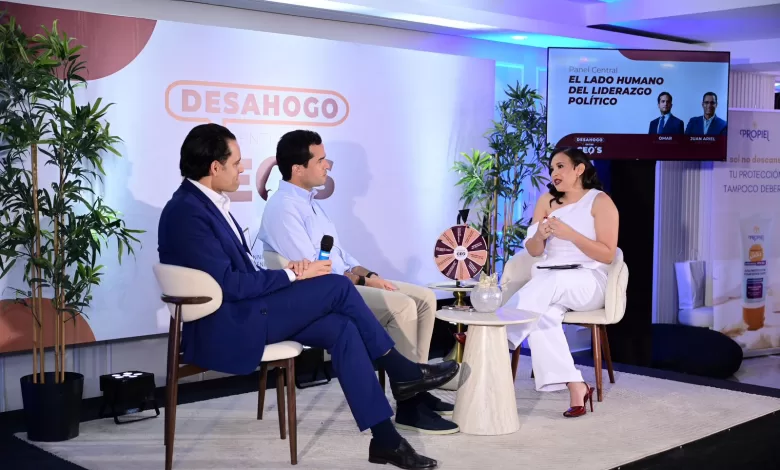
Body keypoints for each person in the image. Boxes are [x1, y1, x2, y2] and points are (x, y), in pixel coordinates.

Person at [157, 123, 458, 468]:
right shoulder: (187, 212)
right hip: (230, 324)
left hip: (248, 311)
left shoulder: (204, 204)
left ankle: (386, 440)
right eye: (237, 162)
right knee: (338, 286)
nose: (242, 169)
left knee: (342, 328)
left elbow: (242, 275)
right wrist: (290, 273)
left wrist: (293, 272)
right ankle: (403, 372)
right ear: (215, 167)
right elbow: (230, 285)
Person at [257, 130, 457, 435]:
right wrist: (363, 279)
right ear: (298, 168)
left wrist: (372, 276)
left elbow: (342, 256)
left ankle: (415, 386)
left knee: (425, 298)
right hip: (321, 295)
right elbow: (317, 272)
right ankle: (410, 405)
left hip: (346, 282)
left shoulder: (311, 203)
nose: (328, 166)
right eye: (321, 160)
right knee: (401, 307)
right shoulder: (283, 208)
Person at [505, 147, 619, 418]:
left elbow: (608, 253)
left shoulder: (600, 201)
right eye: (552, 168)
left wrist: (570, 234)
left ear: (579, 169)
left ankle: (498, 335)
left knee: (549, 282)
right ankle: (576, 385)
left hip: (588, 280)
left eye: (560, 167)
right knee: (543, 316)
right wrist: (540, 236)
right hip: (548, 282)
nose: (553, 173)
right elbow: (533, 251)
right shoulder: (546, 201)